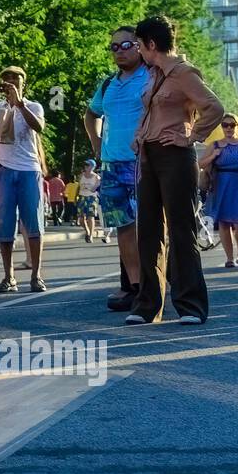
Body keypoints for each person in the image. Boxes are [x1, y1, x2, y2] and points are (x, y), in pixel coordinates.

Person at [127, 14, 225, 326]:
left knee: (182, 230)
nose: (138, 51)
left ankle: (191, 306)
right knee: (149, 232)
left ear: (151, 44)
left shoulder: (183, 73)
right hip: (148, 155)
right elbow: (151, 111)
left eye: (139, 45)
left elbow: (215, 107)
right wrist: (139, 137)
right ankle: (147, 307)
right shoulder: (154, 75)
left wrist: (192, 136)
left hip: (176, 156)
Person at [84, 28, 152, 309]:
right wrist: (96, 143)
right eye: (113, 47)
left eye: (126, 45)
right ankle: (135, 288)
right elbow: (91, 114)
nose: (119, 50)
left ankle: (155, 284)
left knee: (149, 226)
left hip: (143, 162)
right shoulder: (107, 83)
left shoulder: (152, 75)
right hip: (112, 165)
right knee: (123, 227)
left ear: (140, 46)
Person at [0, 67, 47, 294]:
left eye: (15, 78)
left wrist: (20, 104)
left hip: (28, 170)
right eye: (6, 80)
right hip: (2, 171)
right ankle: (9, 277)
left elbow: (39, 127)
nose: (10, 82)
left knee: (33, 224)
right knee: (4, 226)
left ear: (24, 82)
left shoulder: (33, 106)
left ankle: (36, 275)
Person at [200, 115, 238, 267]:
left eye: (232, 125)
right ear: (221, 126)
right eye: (225, 125)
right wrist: (214, 155)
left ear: (236, 126)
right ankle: (229, 258)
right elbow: (200, 163)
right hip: (220, 184)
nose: (228, 128)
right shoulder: (215, 145)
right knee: (224, 222)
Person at [76, 159, 102, 242]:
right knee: (80, 219)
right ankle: (87, 231)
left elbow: (96, 188)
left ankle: (90, 235)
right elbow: (78, 187)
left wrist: (92, 188)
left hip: (91, 198)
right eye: (85, 165)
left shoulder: (96, 177)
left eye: (88, 165)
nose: (86, 166)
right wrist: (75, 197)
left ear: (93, 167)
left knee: (90, 217)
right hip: (82, 197)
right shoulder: (81, 176)